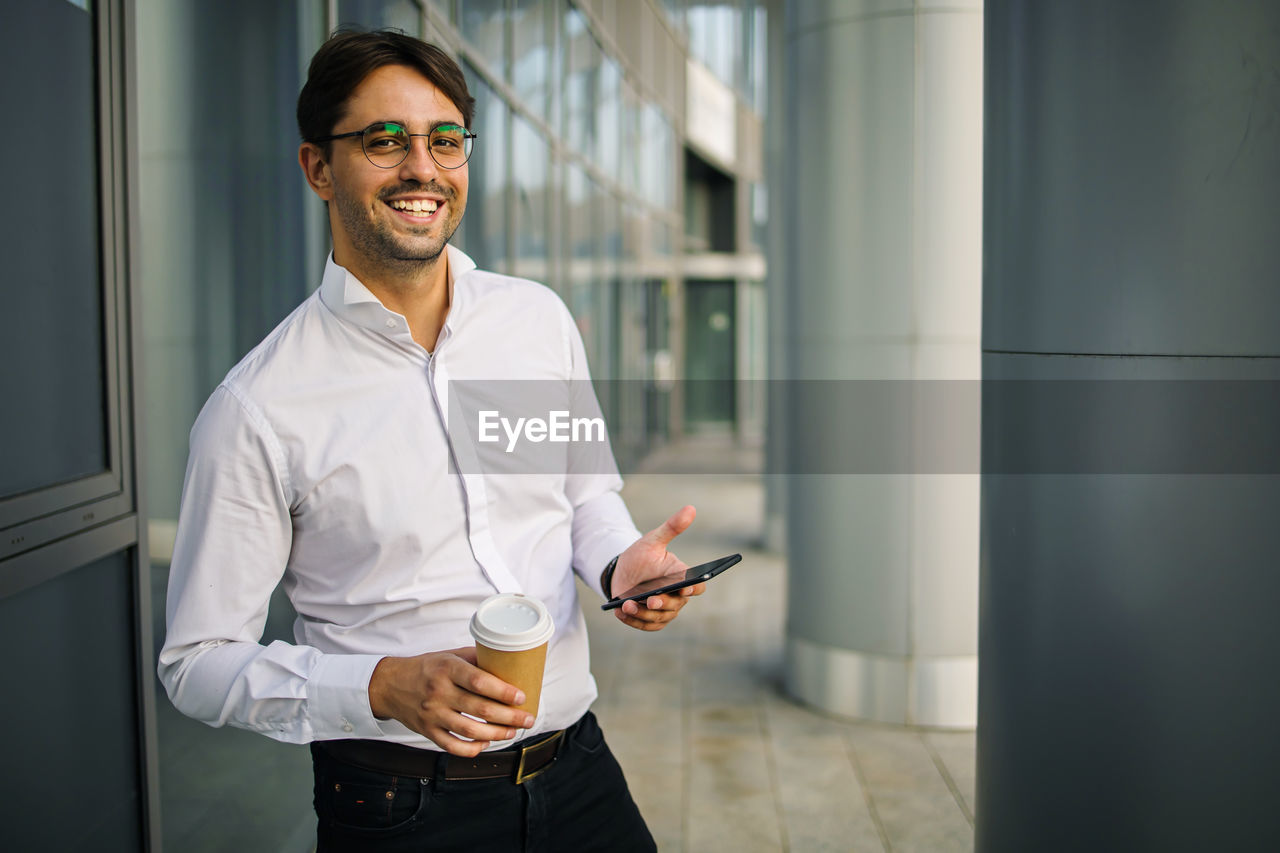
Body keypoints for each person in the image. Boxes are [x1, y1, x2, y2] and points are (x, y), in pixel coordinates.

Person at [158, 28, 704, 852]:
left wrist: (621, 563)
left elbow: (584, 495)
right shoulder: (259, 406)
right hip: (397, 807)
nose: (423, 167)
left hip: (579, 771)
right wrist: (377, 686)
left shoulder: (535, 322)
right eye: (385, 141)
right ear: (317, 168)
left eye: (445, 140)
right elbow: (196, 662)